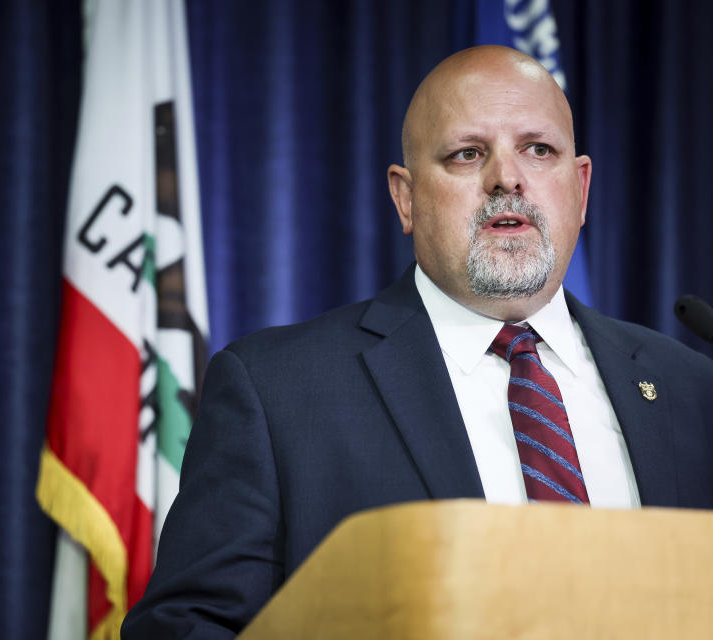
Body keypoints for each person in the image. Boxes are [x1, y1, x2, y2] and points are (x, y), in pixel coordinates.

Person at [121, 45, 713, 638]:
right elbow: (185, 626)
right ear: (406, 198)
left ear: (579, 188)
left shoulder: (690, 388)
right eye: (467, 154)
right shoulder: (277, 391)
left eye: (539, 149)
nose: (507, 177)